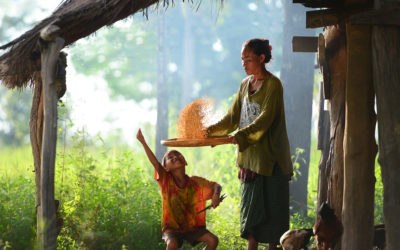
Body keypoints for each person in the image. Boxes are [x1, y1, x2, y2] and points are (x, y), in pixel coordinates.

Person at [206, 38, 293, 250]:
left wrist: (240, 136)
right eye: (242, 59)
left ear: (261, 59)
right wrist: (210, 131)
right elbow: (232, 117)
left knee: (274, 224)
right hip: (249, 162)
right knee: (251, 224)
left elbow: (265, 119)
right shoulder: (245, 85)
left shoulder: (274, 85)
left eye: (248, 59)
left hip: (271, 162)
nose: (244, 64)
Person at [136, 128, 221, 250]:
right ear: (166, 168)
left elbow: (216, 186)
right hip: (172, 227)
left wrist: (216, 195)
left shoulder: (196, 182)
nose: (175, 157)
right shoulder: (165, 180)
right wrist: (143, 142)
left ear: (185, 161)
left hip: (193, 226)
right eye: (170, 157)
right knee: (172, 244)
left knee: (213, 241)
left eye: (178, 154)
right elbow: (155, 163)